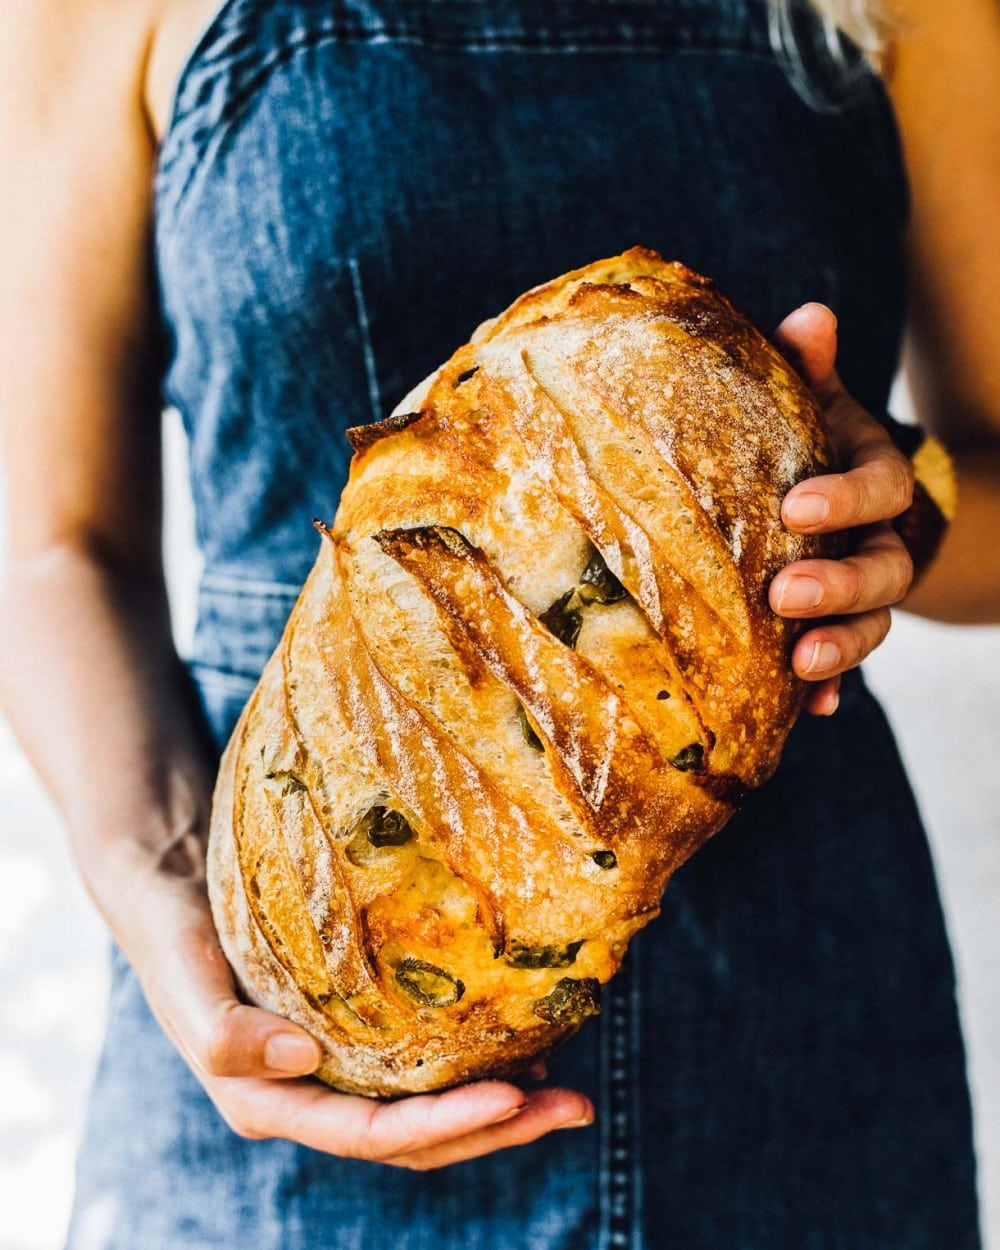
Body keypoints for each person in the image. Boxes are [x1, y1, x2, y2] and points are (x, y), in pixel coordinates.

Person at [0, 0, 997, 1244]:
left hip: (802, 1019)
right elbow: (53, 545)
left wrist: (891, 502)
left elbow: (989, 475)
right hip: (299, 973)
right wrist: (165, 906)